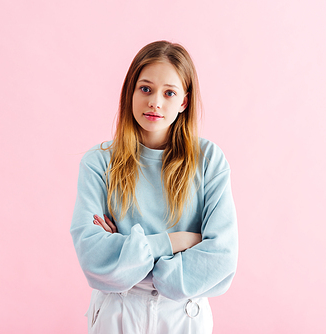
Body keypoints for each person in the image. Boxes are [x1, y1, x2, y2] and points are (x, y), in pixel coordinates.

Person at [70, 40, 238, 334]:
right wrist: (178, 241)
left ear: (184, 101)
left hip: (184, 315)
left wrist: (126, 253)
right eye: (145, 89)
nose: (155, 102)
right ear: (130, 92)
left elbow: (221, 258)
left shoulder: (208, 161)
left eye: (169, 93)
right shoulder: (98, 163)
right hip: (118, 312)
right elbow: (93, 256)